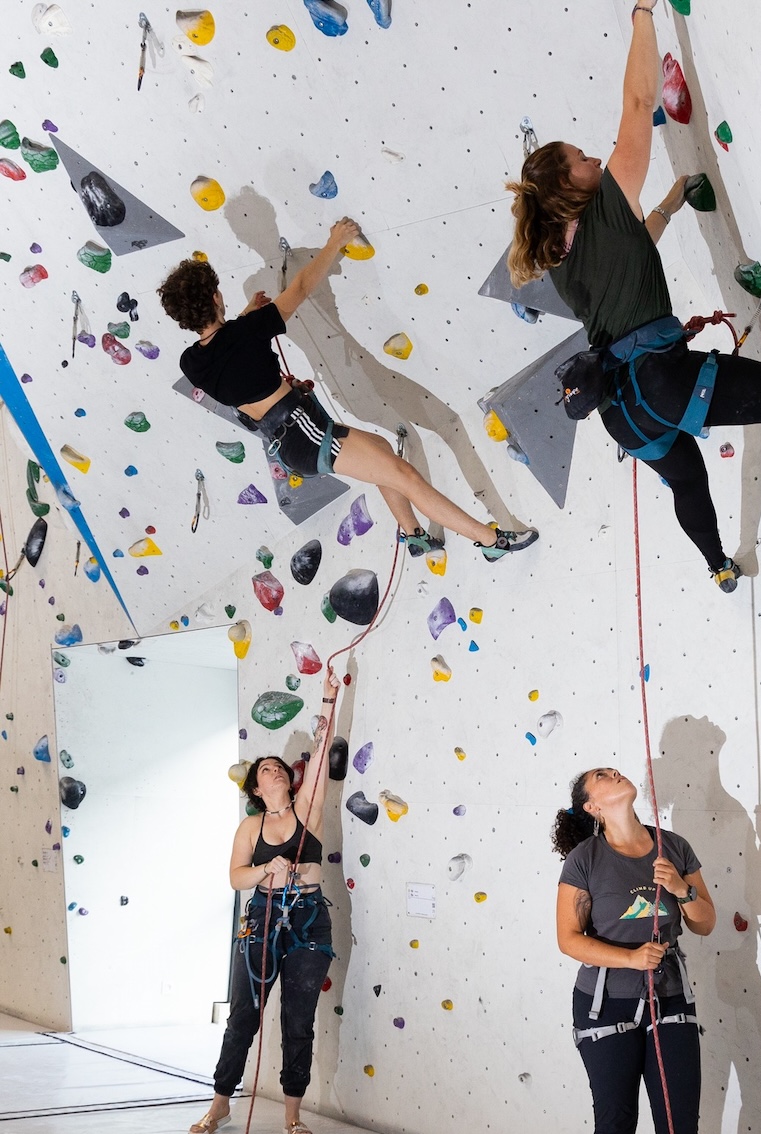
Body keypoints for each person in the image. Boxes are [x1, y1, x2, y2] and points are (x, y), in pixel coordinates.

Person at [505, 0, 761, 591]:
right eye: (581, 159)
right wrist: (641, 13)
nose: (594, 158)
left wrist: (666, 206)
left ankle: (719, 568)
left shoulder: (560, 259)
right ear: (567, 183)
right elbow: (638, 106)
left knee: (688, 482)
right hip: (661, 378)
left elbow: (633, 252)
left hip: (623, 412)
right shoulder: (604, 204)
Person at [158, 218, 538, 563]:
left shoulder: (191, 362)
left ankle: (415, 534)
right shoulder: (248, 330)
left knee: (383, 452)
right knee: (405, 476)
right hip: (307, 432)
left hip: (288, 439)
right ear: (214, 298)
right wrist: (335, 242)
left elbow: (225, 348)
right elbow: (302, 287)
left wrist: (244, 315)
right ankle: (490, 540)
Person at [189, 666, 340, 1134]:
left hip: (309, 922)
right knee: (243, 1018)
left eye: (278, 767)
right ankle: (220, 1104)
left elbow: (319, 759)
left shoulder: (308, 811)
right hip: (262, 916)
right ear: (256, 788)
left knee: (299, 1021)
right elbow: (236, 878)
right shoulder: (249, 828)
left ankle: (292, 1117)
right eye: (265, 770)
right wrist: (264, 869)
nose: (273, 769)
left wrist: (328, 701)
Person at [554, 767, 716, 1134]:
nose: (614, 772)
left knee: (679, 1125)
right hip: (606, 1003)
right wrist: (630, 958)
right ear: (591, 806)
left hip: (671, 999)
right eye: (602, 775)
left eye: (614, 769)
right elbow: (569, 939)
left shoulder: (674, 846)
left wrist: (680, 888)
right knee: (616, 1124)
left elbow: (704, 923)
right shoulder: (584, 860)